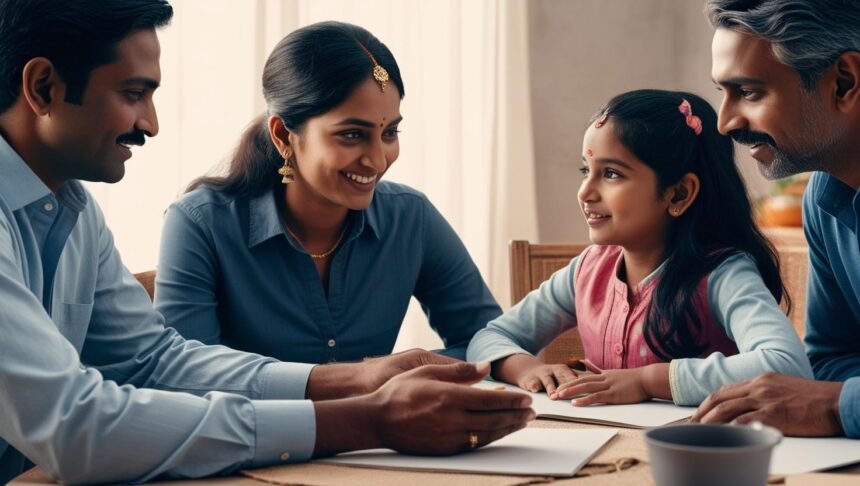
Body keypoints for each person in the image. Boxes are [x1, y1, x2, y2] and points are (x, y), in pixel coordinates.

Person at [0, 2, 534, 483]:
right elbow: (75, 423)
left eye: (389, 131)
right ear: (44, 86)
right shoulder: (198, 219)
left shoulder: (75, 211)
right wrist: (366, 415)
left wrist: (357, 378)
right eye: (133, 93)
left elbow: (155, 361)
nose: (152, 124)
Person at [153, 21, 501, 364]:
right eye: (352, 134)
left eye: (390, 133)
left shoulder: (410, 217)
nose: (378, 160)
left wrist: (405, 373)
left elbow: (488, 340)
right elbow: (188, 377)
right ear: (283, 135)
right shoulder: (201, 224)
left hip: (381, 424)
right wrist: (367, 385)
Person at [467, 89, 813, 407]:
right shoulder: (588, 270)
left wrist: (649, 380)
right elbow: (489, 338)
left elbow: (788, 366)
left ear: (677, 194)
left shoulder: (722, 274)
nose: (586, 192)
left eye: (612, 174)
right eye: (585, 170)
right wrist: (523, 366)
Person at [692, 0, 860, 437]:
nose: (725, 123)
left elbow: (833, 389)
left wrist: (838, 405)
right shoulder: (824, 200)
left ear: (845, 82)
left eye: (748, 92)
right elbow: (832, 359)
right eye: (722, 93)